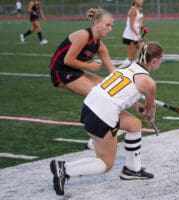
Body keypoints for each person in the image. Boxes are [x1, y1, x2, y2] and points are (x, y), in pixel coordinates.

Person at [50, 41, 164, 196]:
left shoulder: (126, 67)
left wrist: (136, 106)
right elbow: (150, 109)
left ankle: (132, 170)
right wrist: (150, 117)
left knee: (134, 124)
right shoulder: (149, 83)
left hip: (89, 106)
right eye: (160, 60)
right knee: (105, 164)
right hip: (102, 115)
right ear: (155, 61)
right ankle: (64, 169)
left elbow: (118, 91)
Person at [49, 8, 117, 150]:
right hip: (60, 71)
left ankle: (109, 128)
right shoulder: (83, 35)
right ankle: (95, 137)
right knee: (98, 94)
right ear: (97, 23)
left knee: (107, 86)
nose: (110, 29)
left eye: (111, 26)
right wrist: (90, 66)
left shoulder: (100, 45)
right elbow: (68, 60)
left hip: (74, 70)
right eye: (107, 25)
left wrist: (126, 82)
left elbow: (112, 70)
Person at [122, 0, 145, 65]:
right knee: (130, 58)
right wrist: (138, 35)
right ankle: (120, 70)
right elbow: (132, 26)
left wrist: (142, 27)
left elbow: (138, 22)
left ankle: (139, 65)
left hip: (135, 35)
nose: (141, 1)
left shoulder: (140, 9)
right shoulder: (133, 10)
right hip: (130, 36)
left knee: (143, 48)